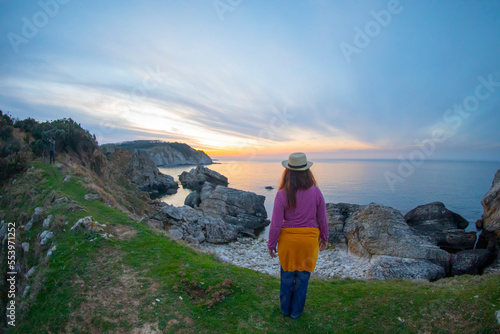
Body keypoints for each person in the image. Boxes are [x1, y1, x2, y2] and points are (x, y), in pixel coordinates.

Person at [267, 152, 329, 319]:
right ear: (307, 171)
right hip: (308, 243)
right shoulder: (316, 192)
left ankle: (285, 309)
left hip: (288, 242)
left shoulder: (281, 194)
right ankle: (296, 312)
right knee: (302, 279)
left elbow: (276, 224)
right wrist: (325, 238)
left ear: (287, 172)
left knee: (287, 277)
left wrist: (271, 244)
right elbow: (322, 218)